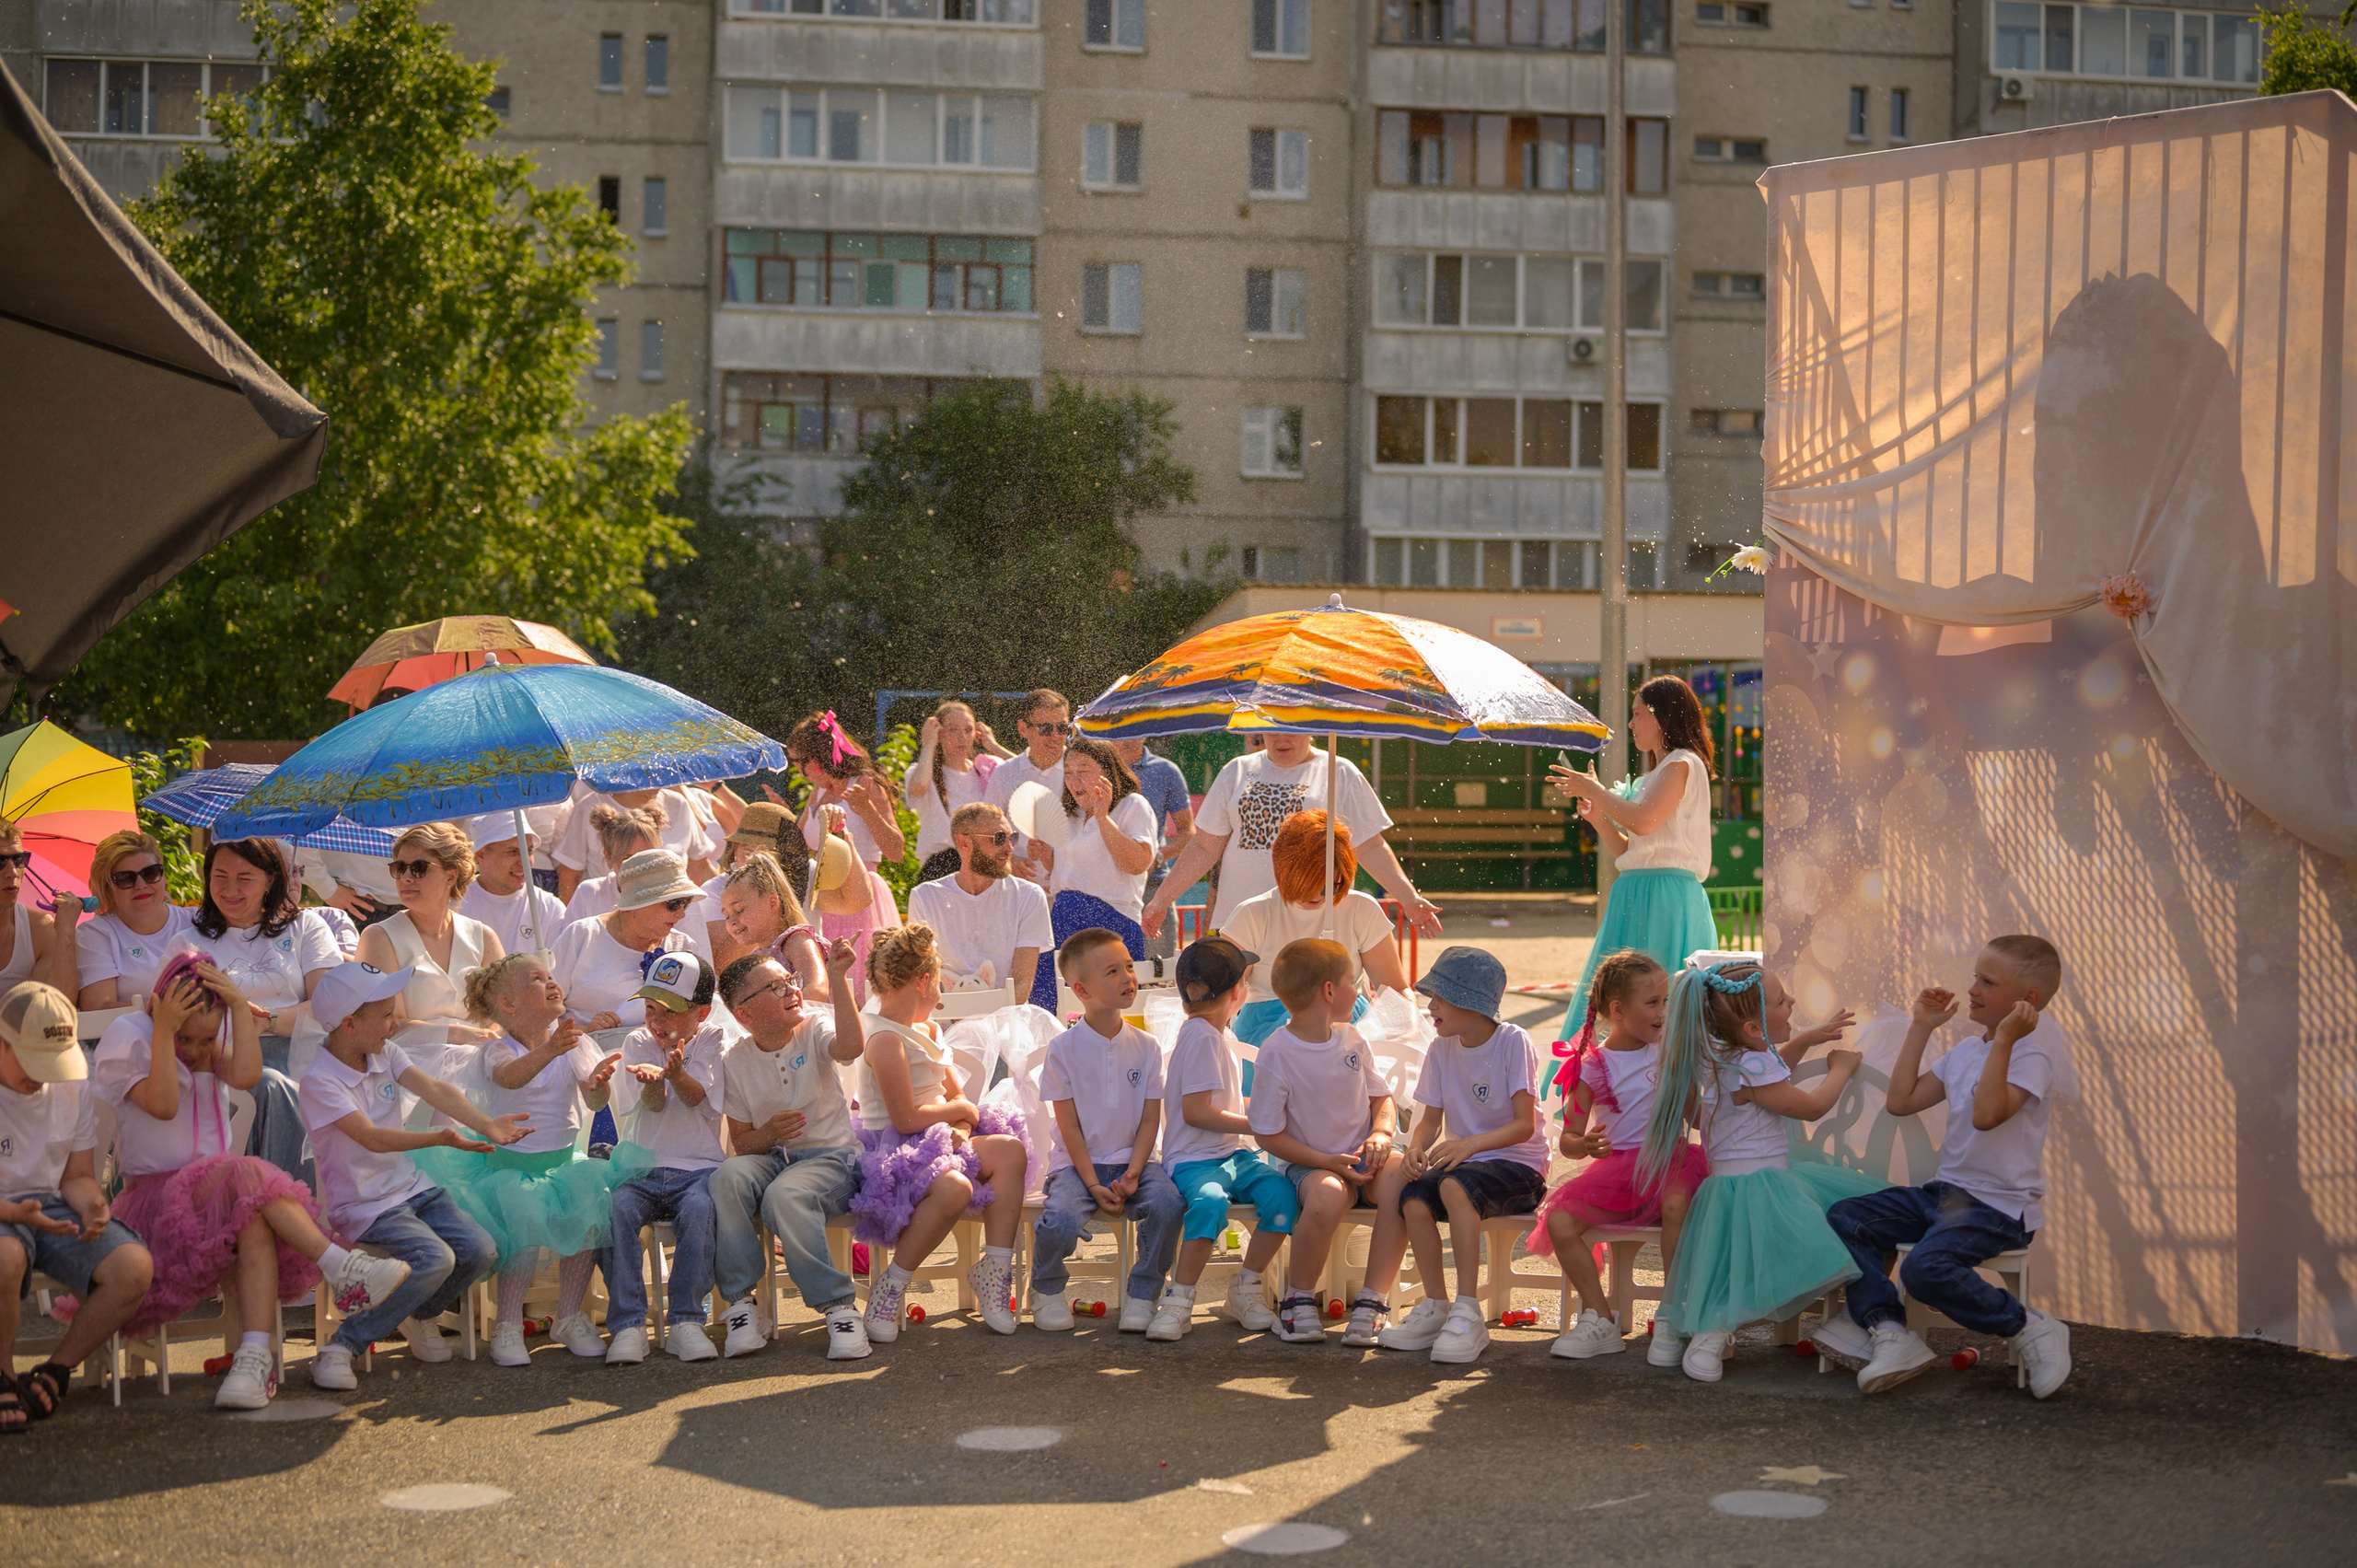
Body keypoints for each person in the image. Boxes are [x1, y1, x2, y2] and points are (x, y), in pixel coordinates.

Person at [90, 955, 410, 1409]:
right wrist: (164, 1032)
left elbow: (246, 1077)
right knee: (246, 1174)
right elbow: (161, 1104)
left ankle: (253, 1362)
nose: (198, 1051)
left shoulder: (208, 1039)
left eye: (206, 1039)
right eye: (187, 1039)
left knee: (252, 1212)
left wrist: (239, 1007)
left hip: (219, 1199)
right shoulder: (133, 1035)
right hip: (158, 1203)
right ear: (160, 1014)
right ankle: (341, 1266)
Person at [1817, 935, 2076, 1400]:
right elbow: (1901, 1102)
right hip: (1945, 1194)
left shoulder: (2032, 1056)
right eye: (1976, 976)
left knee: (1924, 1270)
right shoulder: (1966, 1052)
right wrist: (1922, 1028)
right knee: (1847, 1217)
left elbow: (1987, 1114)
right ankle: (1890, 1330)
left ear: (2027, 1001)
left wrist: (2006, 1040)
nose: (1972, 988)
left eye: (1987, 981)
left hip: (1998, 1208)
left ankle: (2029, 1327)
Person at [1639, 960, 1882, 1383]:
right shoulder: (1752, 1066)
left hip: (1724, 1189)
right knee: (1790, 1262)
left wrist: (1803, 1039)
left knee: (1727, 1272)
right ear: (1753, 1028)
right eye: (1782, 1001)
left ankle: (1690, 1334)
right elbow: (1810, 1106)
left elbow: (1764, 1075)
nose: (1791, 1004)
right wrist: (1841, 1069)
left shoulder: (1715, 1058)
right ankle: (1717, 1330)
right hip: (1768, 1187)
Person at [296, 962, 522, 1389]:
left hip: (411, 1189)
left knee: (481, 1250)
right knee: (435, 1258)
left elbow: (437, 1089)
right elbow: (372, 1138)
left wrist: (486, 1123)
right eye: (384, 1014)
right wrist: (439, 1137)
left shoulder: (382, 1051)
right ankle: (341, 1346)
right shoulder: (320, 1081)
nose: (394, 1022)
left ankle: (417, 1315)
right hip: (364, 1205)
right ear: (349, 1024)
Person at [414, 952, 621, 1368]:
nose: (551, 983)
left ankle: (568, 1314)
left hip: (565, 1166)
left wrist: (599, 1086)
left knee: (589, 1221)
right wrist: (552, 1049)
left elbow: (594, 1100)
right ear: (508, 1005)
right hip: (511, 1172)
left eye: (550, 975)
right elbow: (510, 1077)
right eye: (536, 980)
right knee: (523, 1231)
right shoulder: (496, 1050)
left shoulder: (572, 1043)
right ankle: (507, 1324)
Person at [1525, 950, 1707, 1360]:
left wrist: (1687, 1077)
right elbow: (1569, 1137)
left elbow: (1695, 1119)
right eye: (1653, 1003)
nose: (1663, 1012)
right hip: (1620, 1172)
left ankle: (1673, 1313)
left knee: (1677, 1203)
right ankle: (1600, 1318)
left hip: (1672, 1162)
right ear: (1618, 1010)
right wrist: (1585, 1145)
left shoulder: (1669, 1051)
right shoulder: (1592, 1066)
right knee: (1559, 1220)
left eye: (1666, 1002)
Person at [850, 923, 1028, 1342]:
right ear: (923, 981)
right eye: (938, 984)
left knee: (1010, 1151)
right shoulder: (884, 1039)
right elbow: (908, 1118)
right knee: (954, 1189)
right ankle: (891, 1286)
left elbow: (956, 1095)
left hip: (939, 1136)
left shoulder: (927, 1031)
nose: (941, 996)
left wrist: (963, 1125)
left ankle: (994, 1269)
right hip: (895, 1151)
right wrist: (962, 1111)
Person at [1371, 948, 1547, 1365]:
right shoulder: (1441, 1047)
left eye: (1440, 998)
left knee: (1453, 1185)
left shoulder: (1512, 1041)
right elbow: (1430, 1120)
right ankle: (1438, 1305)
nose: (1430, 1007)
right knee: (1413, 1196)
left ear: (1470, 1003)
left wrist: (1468, 1145)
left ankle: (1468, 1311)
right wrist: (1415, 1150)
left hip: (1521, 1167)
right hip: (1468, 1167)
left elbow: (1524, 1126)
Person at [0, 982, 153, 1428]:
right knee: (6, 1255)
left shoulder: (71, 1080)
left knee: (134, 1268)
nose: (43, 1075)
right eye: (32, 1062)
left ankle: (55, 1371)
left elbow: (76, 1176)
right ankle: (3, 1376)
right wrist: (16, 1216)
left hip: (49, 1205)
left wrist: (92, 1206)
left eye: (52, 1063)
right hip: (8, 1215)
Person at [711, 943, 871, 1362]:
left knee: (786, 1195)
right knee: (726, 1178)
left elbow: (851, 1048)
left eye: (789, 981)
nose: (790, 990)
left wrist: (837, 979)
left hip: (831, 1161)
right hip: (774, 1162)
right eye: (775, 987)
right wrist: (767, 1133)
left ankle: (839, 1308)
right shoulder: (735, 1060)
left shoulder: (814, 1027)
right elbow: (743, 1143)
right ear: (744, 1014)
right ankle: (742, 1305)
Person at [1245, 938, 1409, 1347]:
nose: (1359, 990)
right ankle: (1298, 1300)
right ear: (1330, 991)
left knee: (1400, 1181)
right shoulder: (1277, 1051)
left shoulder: (1352, 1038)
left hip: (1365, 1159)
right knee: (1329, 1196)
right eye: (1352, 981)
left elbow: (1382, 1098)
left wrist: (1381, 1134)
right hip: (1310, 1166)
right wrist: (1325, 1161)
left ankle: (1372, 1301)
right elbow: (1267, 1132)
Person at [1546, 675, 1721, 1048]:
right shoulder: (1660, 771)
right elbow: (1632, 852)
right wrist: (1597, 817)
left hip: (1665, 897)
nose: (1630, 723)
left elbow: (1643, 820)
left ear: (1661, 718)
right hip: (1640, 891)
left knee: (1652, 1003)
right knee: (1623, 998)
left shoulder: (1681, 763)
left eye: (1638, 713)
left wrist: (1593, 790)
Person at [1142, 732, 1442, 946]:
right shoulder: (1237, 770)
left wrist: (1408, 898)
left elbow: (1370, 845)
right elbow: (1204, 847)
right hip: (1239, 921)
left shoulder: (1339, 771)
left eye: (1293, 730)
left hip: (1309, 923)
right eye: (1273, 729)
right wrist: (1161, 900)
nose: (1282, 739)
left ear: (1312, 730)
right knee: (1239, 1021)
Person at [1029, 929, 1184, 1333]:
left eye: (1130, 967)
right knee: (1060, 1220)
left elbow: (1151, 1119)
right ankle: (1045, 1291)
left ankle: (1144, 1294)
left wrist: (1133, 1171)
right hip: (1076, 1166)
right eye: (1112, 971)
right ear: (1081, 989)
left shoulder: (1148, 1046)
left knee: (1169, 1206)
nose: (1128, 977)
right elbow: (1069, 1126)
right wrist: (1092, 1182)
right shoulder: (1062, 1050)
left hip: (1135, 1161)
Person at [1144, 935, 1295, 1342]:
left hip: (1230, 1155)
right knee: (1210, 1202)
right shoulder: (1201, 1038)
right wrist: (1260, 1126)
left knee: (1283, 1195)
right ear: (1237, 992)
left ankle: (1245, 1288)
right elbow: (1197, 1113)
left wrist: (1266, 1110)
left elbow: (1224, 1101)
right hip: (1194, 1160)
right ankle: (1179, 1299)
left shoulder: (1215, 1034)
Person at [173, 838, 340, 1172]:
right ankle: (279, 1197)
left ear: (271, 880)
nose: (230, 889)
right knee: (264, 1083)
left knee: (282, 1084)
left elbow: (329, 1006)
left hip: (300, 1053)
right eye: (220, 876)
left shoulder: (306, 927)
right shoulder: (188, 942)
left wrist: (268, 1021)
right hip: (224, 1058)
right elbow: (182, 1020)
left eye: (244, 878)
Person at [601, 952, 729, 1366]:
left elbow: (697, 1099)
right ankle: (628, 1325)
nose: (657, 1021)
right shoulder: (637, 1041)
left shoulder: (712, 1039)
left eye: (670, 1011)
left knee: (699, 1208)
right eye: (650, 1008)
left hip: (699, 1168)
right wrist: (655, 1084)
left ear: (702, 1013)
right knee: (616, 1208)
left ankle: (687, 1321)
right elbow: (653, 1107)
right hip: (642, 1168)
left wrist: (674, 1075)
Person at [1216, 812, 1411, 1049]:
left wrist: (1407, 1030)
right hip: (1266, 1034)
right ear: (1284, 871)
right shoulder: (1252, 915)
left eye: (1331, 885)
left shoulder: (1362, 909)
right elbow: (1225, 994)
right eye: (1306, 883)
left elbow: (1395, 990)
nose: (1318, 894)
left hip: (1348, 1029)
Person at [1026, 738, 1156, 1013]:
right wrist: (1045, 853)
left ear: (1107, 771)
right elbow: (1066, 874)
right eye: (1069, 772)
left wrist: (1102, 816)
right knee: (1054, 1009)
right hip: (1063, 919)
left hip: (1111, 920)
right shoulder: (1069, 815)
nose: (1074, 780)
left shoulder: (1133, 805)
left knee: (1114, 1011)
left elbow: (1136, 864)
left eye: (1083, 770)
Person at [355, 822, 506, 1057]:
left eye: (419, 868)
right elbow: (387, 1025)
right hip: (410, 1066)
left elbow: (505, 1013)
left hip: (483, 1058)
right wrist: (458, 1035)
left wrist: (490, 1043)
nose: (405, 878)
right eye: (399, 868)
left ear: (450, 877)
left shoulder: (484, 937)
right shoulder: (379, 937)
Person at [906, 803, 1052, 1003]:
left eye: (1012, 838)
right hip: (946, 1020)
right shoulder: (925, 896)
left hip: (1007, 1021)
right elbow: (925, 978)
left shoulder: (1030, 896)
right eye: (999, 838)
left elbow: (1021, 985)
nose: (1009, 848)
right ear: (964, 843)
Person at [709, 801, 869, 980]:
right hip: (747, 992)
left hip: (806, 987)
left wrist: (842, 836)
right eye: (748, 853)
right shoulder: (715, 890)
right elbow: (722, 965)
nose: (756, 862)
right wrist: (756, 914)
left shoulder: (802, 874)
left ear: (784, 855)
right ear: (735, 847)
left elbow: (857, 900)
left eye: (767, 855)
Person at [74, 830, 195, 1009]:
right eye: (125, 878)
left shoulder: (196, 920)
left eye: (151, 873)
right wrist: (171, 1009)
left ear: (163, 878)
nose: (141, 885)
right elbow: (97, 1008)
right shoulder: (95, 933)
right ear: (107, 889)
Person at [552, 784, 719, 904]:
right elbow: (568, 877)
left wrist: (727, 896)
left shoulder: (679, 803)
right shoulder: (588, 806)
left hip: (671, 912)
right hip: (607, 915)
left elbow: (701, 867)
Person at [1112, 739, 1194, 963]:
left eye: (1135, 729)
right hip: (1105, 887)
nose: (1129, 736)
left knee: (1159, 970)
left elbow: (1188, 832)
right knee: (1104, 974)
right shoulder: (1094, 769)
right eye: (1122, 729)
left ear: (1146, 732)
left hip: (1153, 885)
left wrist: (1156, 858)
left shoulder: (1165, 771)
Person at [981, 689, 1072, 885]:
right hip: (1017, 889)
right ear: (1023, 729)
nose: (1055, 736)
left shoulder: (1082, 771)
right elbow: (987, 830)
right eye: (1046, 729)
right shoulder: (1005, 773)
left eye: (1063, 728)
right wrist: (1008, 859)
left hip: (1070, 889)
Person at [457, 813, 565, 962]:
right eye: (513, 852)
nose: (524, 862)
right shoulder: (453, 905)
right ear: (480, 855)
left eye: (529, 851)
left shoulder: (551, 909)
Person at [905, 700, 1003, 864]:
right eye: (953, 730)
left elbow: (1026, 776)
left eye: (968, 730)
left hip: (981, 862)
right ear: (939, 734)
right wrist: (929, 744)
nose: (962, 737)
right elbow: (919, 787)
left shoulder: (985, 771)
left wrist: (994, 747)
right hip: (940, 862)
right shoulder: (923, 772)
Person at [0, 820, 80, 1001]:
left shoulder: (40, 929)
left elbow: (57, 1007)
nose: (12, 872)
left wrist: (65, 934)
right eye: (0, 862)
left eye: (19, 859)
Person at [559, 803, 665, 928]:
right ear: (608, 857)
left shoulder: (673, 896)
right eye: (627, 858)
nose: (639, 866)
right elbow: (570, 943)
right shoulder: (589, 894)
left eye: (646, 856)